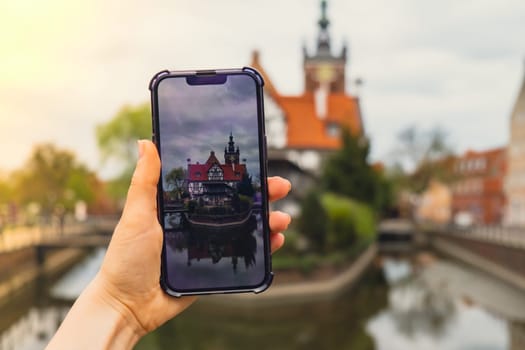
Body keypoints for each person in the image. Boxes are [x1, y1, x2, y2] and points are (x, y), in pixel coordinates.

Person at [46, 140, 292, 349]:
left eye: (231, 156)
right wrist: (118, 302)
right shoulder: (204, 178)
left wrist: (116, 304)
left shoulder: (231, 172)